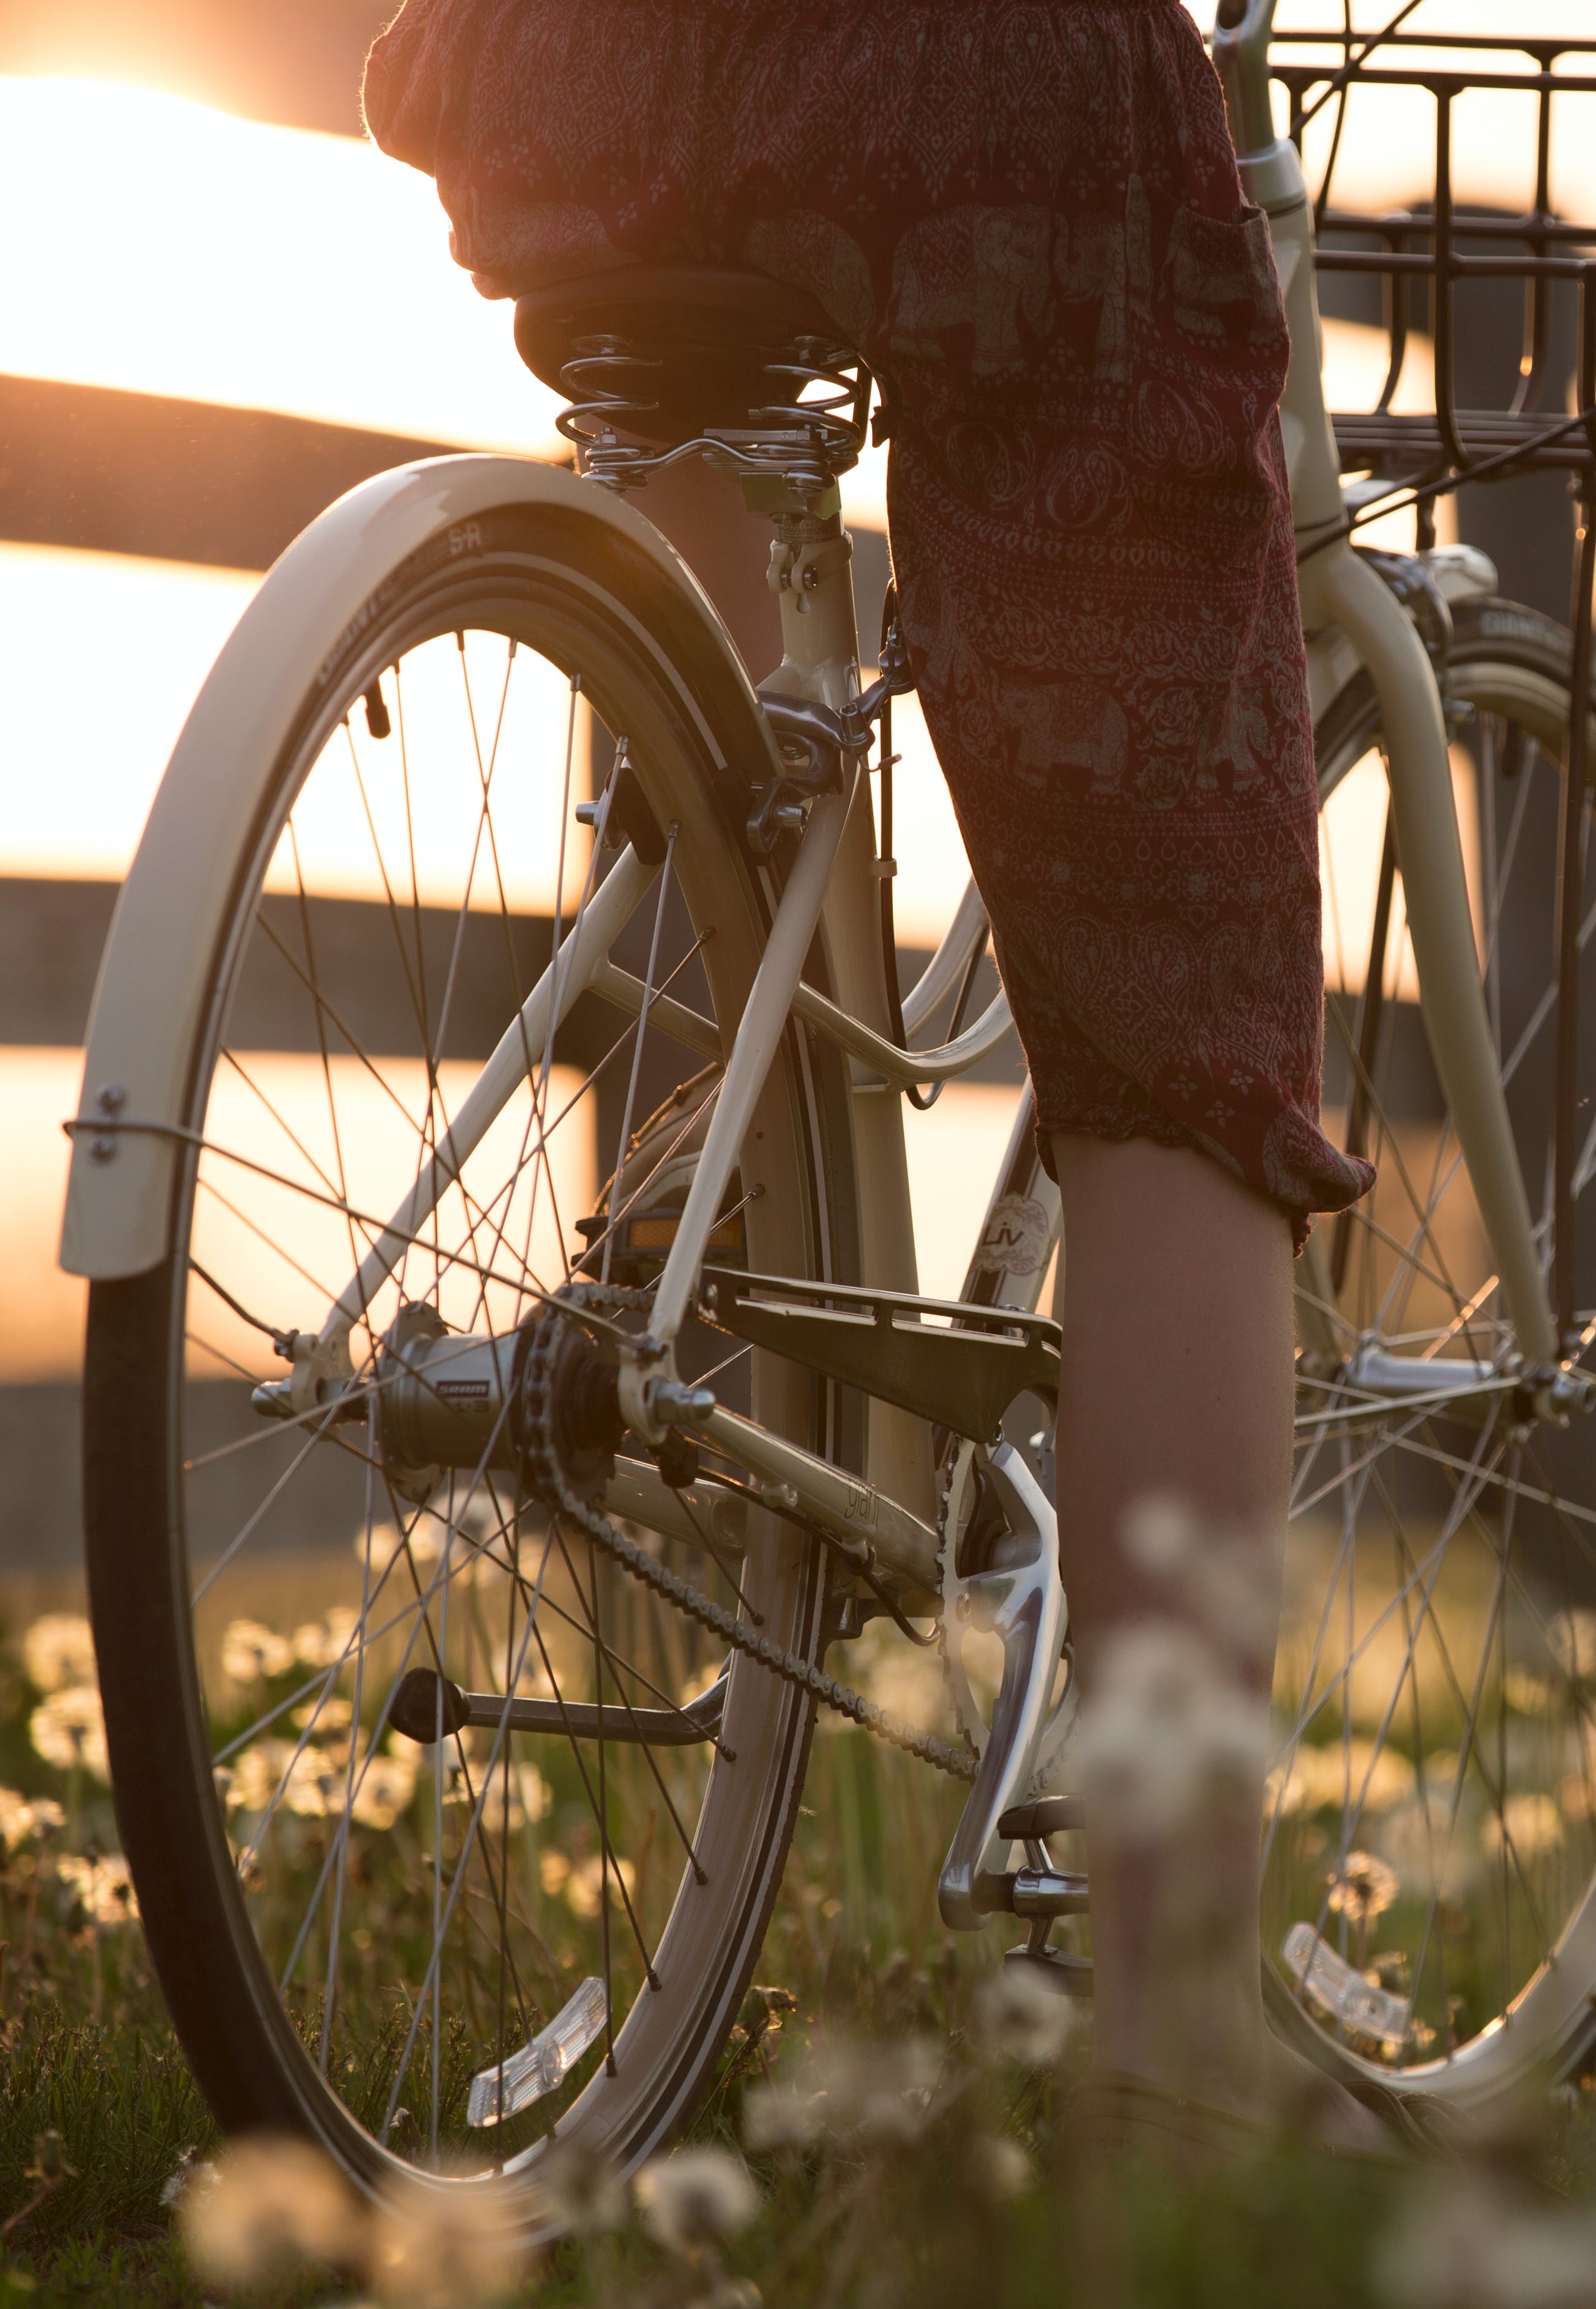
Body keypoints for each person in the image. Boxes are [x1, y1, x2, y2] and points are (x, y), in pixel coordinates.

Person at [360, 0, 1370, 2140]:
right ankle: (1175, 2053)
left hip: (561, 68)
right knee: (1178, 1034)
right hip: (970, 83)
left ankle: (692, 1252)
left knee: (711, 703)